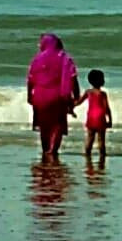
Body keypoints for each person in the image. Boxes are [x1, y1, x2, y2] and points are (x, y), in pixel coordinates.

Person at [25, 32, 79, 164]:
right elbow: (72, 78)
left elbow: (30, 80)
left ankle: (45, 150)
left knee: (44, 126)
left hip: (39, 96)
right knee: (57, 125)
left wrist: (29, 96)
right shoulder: (65, 58)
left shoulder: (37, 59)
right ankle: (52, 150)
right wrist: (75, 96)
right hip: (57, 96)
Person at [82, 69, 112, 168]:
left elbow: (78, 102)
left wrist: (71, 107)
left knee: (90, 138)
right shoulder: (102, 94)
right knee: (101, 140)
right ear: (101, 81)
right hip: (100, 117)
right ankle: (102, 156)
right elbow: (106, 107)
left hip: (91, 117)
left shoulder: (88, 92)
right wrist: (110, 120)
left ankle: (87, 155)